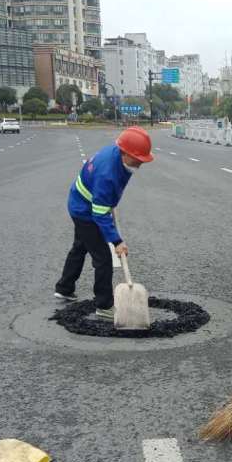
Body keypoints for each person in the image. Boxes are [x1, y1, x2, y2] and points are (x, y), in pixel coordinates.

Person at [55, 126, 154, 318]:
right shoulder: (107, 174)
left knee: (80, 247)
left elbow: (107, 198)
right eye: (137, 159)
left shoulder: (117, 154)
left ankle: (64, 288)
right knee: (103, 258)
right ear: (125, 153)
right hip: (85, 212)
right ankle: (104, 305)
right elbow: (99, 214)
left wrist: (109, 202)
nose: (140, 163)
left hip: (80, 202)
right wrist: (117, 241)